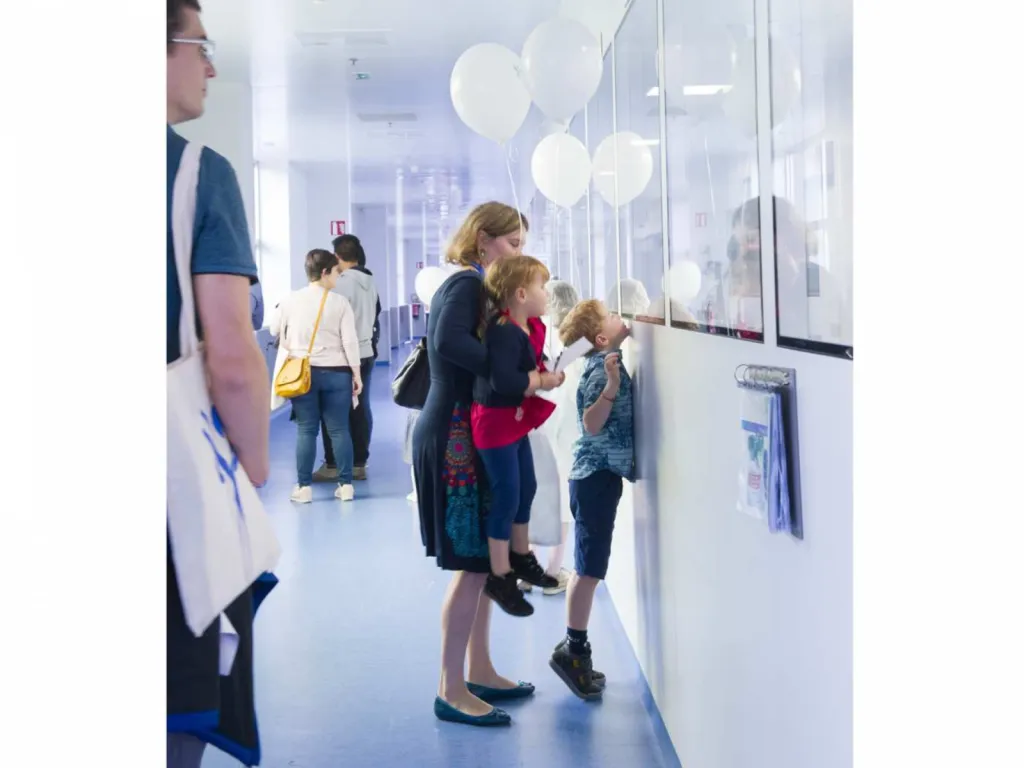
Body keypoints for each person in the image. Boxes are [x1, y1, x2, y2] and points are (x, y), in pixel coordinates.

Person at [167, 1, 274, 765]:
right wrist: (253, 466)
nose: (209, 66)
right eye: (198, 46)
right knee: (174, 696)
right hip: (166, 481)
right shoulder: (196, 175)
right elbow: (232, 354)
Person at [412, 202, 532, 727]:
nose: (518, 253)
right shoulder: (465, 285)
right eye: (512, 244)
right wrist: (505, 370)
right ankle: (451, 687)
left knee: (483, 559)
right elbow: (447, 342)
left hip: (468, 430)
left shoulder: (476, 286)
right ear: (483, 239)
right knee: (471, 564)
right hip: (452, 435)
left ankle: (479, 668)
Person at [548, 298, 634, 701]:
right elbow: (591, 423)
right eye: (611, 316)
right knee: (588, 570)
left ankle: (575, 647)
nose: (619, 316)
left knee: (590, 567)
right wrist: (613, 388)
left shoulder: (603, 359)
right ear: (600, 338)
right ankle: (574, 651)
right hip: (594, 478)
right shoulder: (602, 370)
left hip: (597, 477)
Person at [471, 256, 564, 617]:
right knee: (506, 493)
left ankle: (521, 555)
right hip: (495, 422)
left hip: (514, 419)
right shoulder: (504, 330)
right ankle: (500, 574)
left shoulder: (529, 327)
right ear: (522, 294)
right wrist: (542, 380)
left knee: (526, 487)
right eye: (542, 286)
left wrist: (548, 375)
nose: (547, 293)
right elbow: (505, 380)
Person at [270, 249, 363, 503]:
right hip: (337, 373)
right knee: (339, 429)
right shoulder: (340, 303)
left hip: (303, 374)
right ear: (324, 272)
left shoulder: (290, 300)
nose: (338, 277)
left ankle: (304, 489)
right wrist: (356, 374)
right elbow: (350, 342)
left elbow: (274, 329)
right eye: (336, 272)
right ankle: (346, 486)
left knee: (306, 429)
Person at [520, 279, 581, 596]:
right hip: (563, 436)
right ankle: (553, 573)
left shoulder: (541, 338)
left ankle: (528, 572)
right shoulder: (575, 347)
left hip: (536, 432)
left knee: (535, 502)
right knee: (561, 509)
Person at [314, 234, 383, 482]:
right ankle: (358, 463)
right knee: (360, 408)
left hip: (343, 356)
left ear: (337, 257)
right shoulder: (369, 280)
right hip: (366, 353)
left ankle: (333, 464)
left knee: (333, 409)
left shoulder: (342, 283)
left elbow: (329, 318)